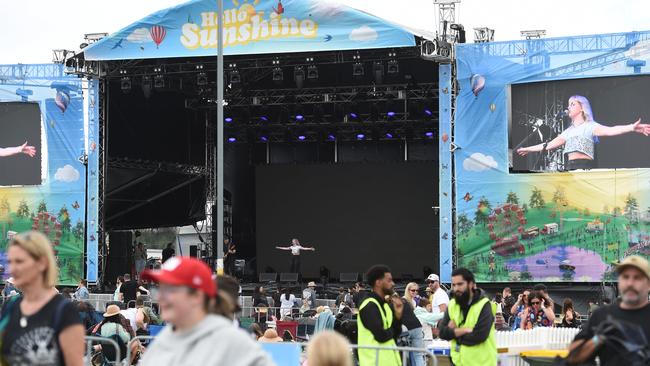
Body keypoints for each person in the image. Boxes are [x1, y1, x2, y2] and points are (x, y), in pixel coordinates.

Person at [139, 256, 274, 366]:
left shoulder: (236, 345)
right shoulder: (163, 341)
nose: (161, 297)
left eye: (170, 290)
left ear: (197, 296)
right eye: (160, 289)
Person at [1, 231, 84, 366]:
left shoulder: (64, 311)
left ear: (42, 263)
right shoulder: (10, 306)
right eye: (10, 262)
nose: (13, 268)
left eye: (20, 261)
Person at [517, 95, 650, 170]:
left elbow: (611, 130)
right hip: (569, 168)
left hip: (585, 167)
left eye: (572, 104)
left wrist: (632, 127)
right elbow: (548, 145)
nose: (568, 107)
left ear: (582, 108)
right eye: (568, 104)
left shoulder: (590, 126)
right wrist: (528, 149)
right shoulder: (568, 131)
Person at [568, 255, 650, 365]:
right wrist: (598, 338)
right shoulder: (602, 315)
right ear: (619, 281)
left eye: (637, 278)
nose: (630, 283)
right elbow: (573, 356)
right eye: (625, 277)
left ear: (648, 284)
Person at [438, 268, 496, 366]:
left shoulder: (484, 305)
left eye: (460, 284)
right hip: (458, 362)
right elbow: (442, 333)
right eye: (454, 285)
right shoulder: (452, 304)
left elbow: (479, 336)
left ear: (471, 284)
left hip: (482, 363)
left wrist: (453, 333)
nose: (456, 288)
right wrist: (464, 330)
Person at [357, 265, 403, 366]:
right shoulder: (369, 306)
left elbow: (394, 335)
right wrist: (393, 329)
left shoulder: (386, 306)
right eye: (389, 280)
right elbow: (381, 336)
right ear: (378, 282)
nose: (393, 283)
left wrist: (398, 316)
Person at [401, 284, 426, 366]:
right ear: (407, 290)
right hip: (415, 327)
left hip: (408, 328)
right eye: (413, 290)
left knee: (406, 354)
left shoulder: (413, 301)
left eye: (416, 290)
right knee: (417, 354)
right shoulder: (404, 300)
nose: (415, 292)